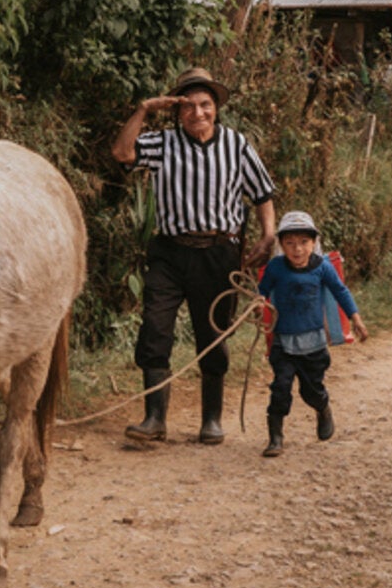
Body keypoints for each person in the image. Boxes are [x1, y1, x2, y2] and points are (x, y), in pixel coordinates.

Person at [112, 66, 277, 446]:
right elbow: (122, 152)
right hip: (169, 253)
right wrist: (142, 110)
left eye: (204, 105)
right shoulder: (162, 143)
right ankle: (154, 419)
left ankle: (211, 421)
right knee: (155, 329)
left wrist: (268, 235)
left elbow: (263, 194)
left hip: (219, 254)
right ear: (176, 111)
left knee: (213, 334)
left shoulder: (236, 145)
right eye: (188, 106)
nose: (197, 113)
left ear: (216, 107)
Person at [256, 210, 368, 457]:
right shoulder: (276, 267)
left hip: (314, 343)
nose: (297, 250)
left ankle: (323, 408)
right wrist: (258, 301)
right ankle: (275, 438)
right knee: (280, 389)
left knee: (311, 390)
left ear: (314, 242)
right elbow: (262, 290)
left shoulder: (322, 268)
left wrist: (356, 319)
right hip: (283, 342)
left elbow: (341, 291)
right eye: (290, 243)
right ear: (281, 244)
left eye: (304, 242)